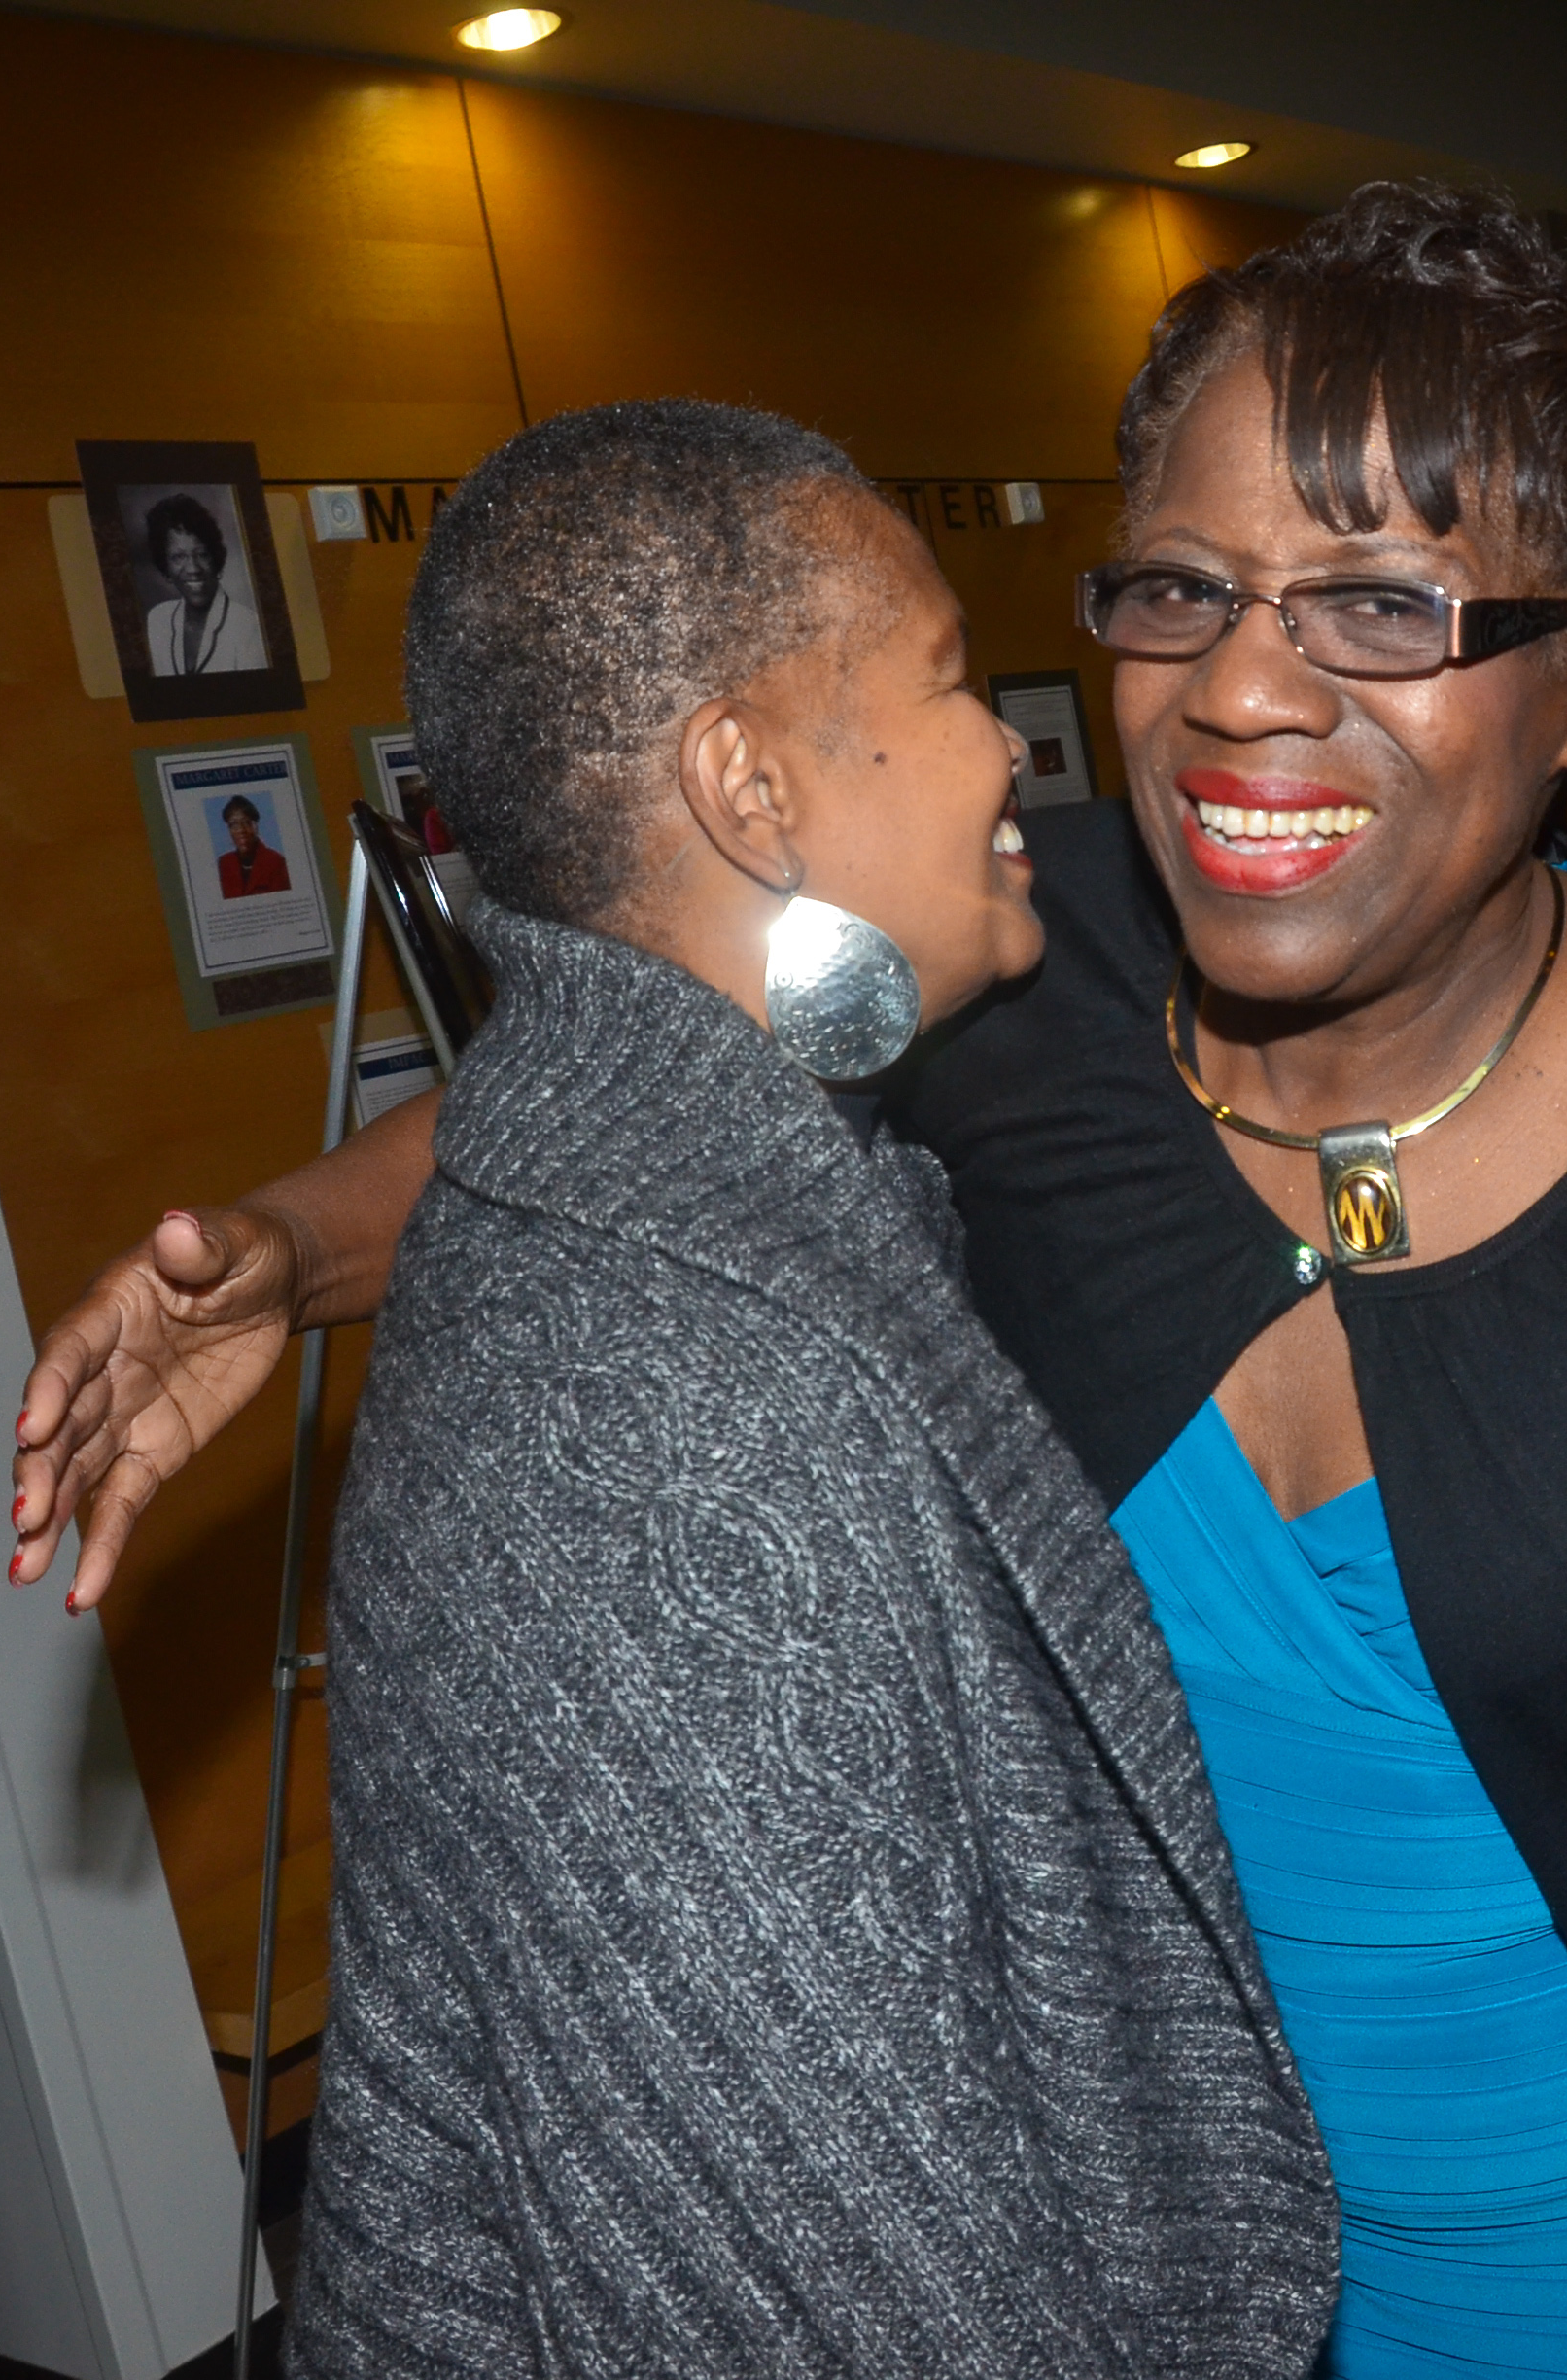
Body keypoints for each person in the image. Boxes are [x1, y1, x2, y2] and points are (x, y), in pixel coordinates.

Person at [15, 186, 1567, 2379]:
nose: (1237, 688)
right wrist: (283, 1255)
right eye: (1182, 590)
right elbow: (638, 1096)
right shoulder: (1010, 979)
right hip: (1155, 2269)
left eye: (1378, 604)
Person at [267, 399, 1335, 2373]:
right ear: (750, 785)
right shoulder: (668, 1446)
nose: (1008, 744)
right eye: (945, 676)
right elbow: (865, 2294)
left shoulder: (659, 1205)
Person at [141, 491, 267, 677]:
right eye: (179, 557)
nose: (193, 568)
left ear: (216, 560)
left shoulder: (248, 626)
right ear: (165, 567)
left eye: (202, 554)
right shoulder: (158, 620)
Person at [211, 794, 290, 898]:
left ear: (255, 826)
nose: (241, 830)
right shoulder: (223, 864)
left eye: (246, 823)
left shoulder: (276, 862)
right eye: (234, 824)